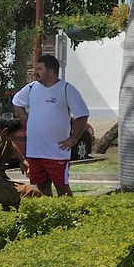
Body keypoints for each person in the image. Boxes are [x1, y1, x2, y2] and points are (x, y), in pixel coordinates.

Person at [11, 53, 89, 197]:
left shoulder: (66, 89)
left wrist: (73, 139)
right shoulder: (31, 88)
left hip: (57, 152)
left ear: (51, 71)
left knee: (62, 188)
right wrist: (23, 118)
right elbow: (17, 101)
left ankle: (69, 210)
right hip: (35, 151)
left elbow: (82, 115)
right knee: (41, 188)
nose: (36, 72)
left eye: (40, 69)